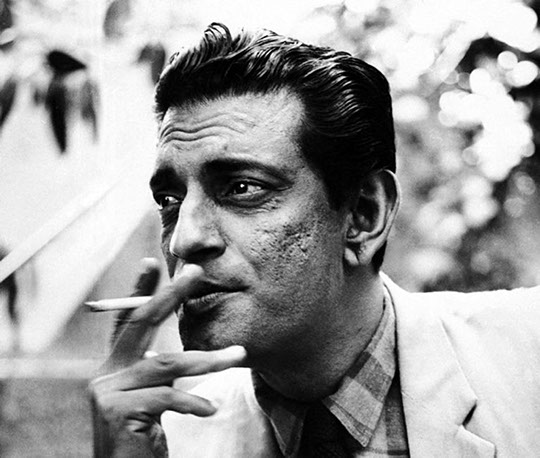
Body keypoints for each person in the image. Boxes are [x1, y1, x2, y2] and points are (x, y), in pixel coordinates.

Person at [89, 23, 540, 457]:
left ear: (363, 215)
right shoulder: (172, 439)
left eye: (242, 188)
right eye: (170, 200)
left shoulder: (528, 357)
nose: (183, 240)